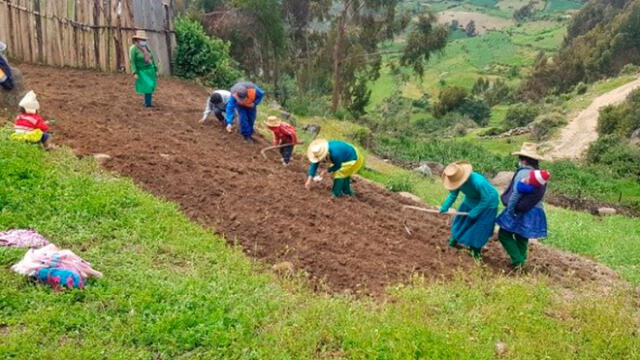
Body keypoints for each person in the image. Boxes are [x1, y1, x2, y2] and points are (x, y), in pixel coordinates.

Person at [496, 143, 549, 269]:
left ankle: (519, 262)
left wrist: (509, 210)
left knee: (504, 234)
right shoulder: (538, 175)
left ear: (523, 160)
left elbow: (516, 194)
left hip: (520, 209)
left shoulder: (523, 173)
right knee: (521, 236)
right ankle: (520, 262)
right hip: (535, 210)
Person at [439, 161, 499, 259]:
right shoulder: (456, 181)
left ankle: (475, 252)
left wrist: (476, 210)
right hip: (470, 200)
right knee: (461, 222)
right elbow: (453, 195)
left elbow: (487, 199)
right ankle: (454, 240)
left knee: (479, 229)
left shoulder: (479, 182)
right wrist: (445, 206)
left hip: (488, 204)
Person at [129, 30, 158, 108]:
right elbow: (132, 61)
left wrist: (155, 68)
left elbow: (151, 57)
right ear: (137, 39)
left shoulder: (146, 48)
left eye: (144, 40)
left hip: (150, 69)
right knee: (147, 86)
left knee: (151, 86)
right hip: (142, 70)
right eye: (142, 39)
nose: (143, 41)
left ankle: (148, 102)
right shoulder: (133, 49)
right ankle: (147, 103)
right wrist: (134, 72)